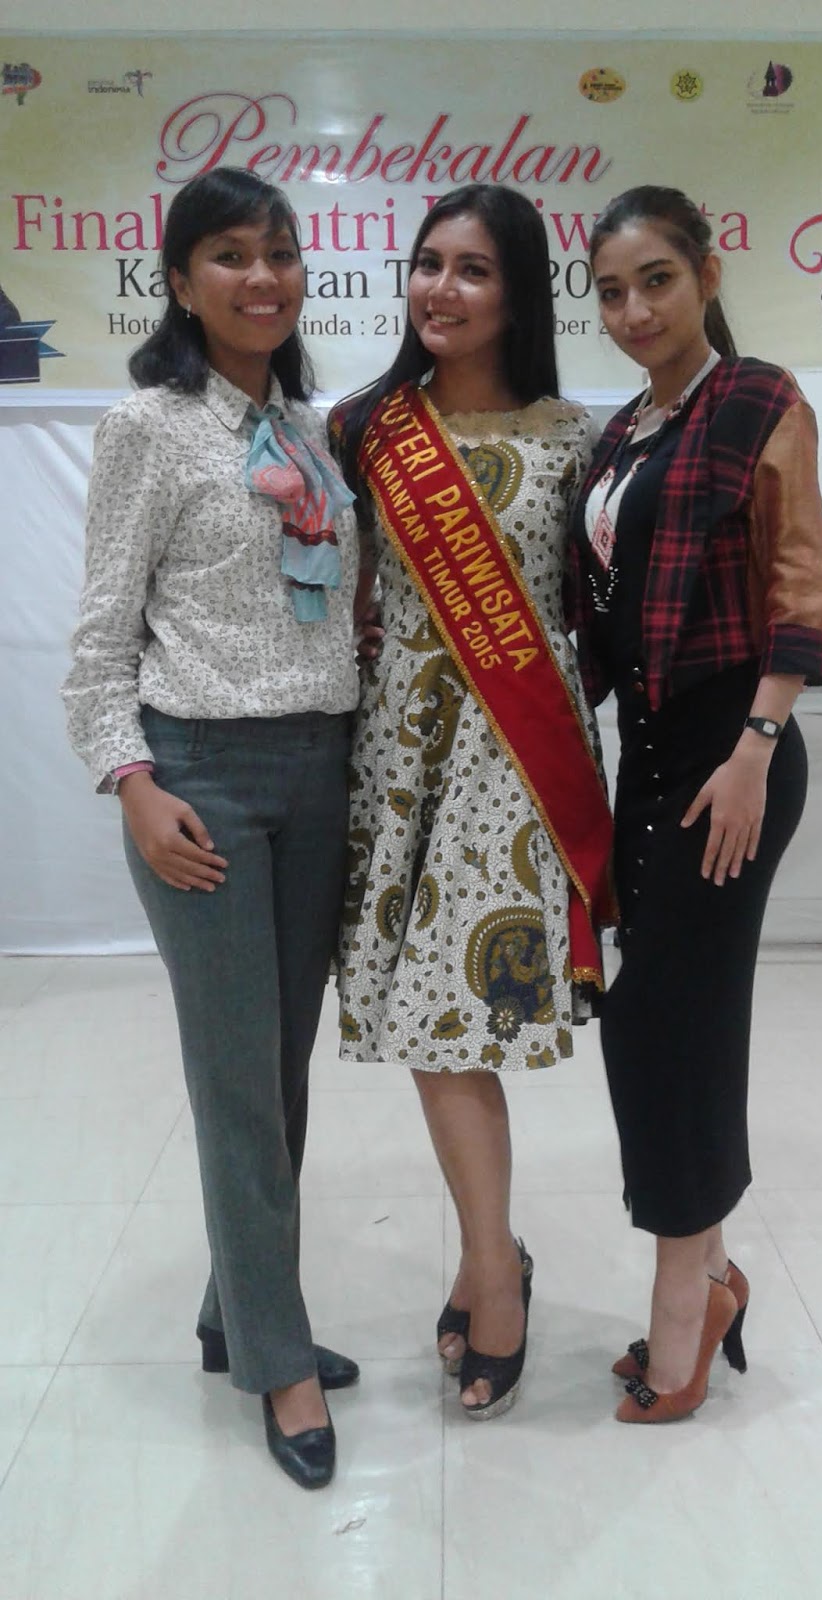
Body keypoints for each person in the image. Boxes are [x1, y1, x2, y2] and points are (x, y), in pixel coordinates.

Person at [62, 167, 363, 1489]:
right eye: (231, 255)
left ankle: (234, 1307)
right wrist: (133, 785)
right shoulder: (148, 427)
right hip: (203, 780)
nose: (263, 277)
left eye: (280, 253)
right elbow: (98, 640)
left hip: (320, 770)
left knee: (280, 1068)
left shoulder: (308, 427)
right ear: (181, 282)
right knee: (237, 1077)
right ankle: (276, 1362)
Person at [331, 183, 614, 1420]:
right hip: (397, 759)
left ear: (519, 293)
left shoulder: (577, 438)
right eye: (427, 263)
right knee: (423, 1023)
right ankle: (494, 1256)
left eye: (473, 269)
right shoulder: (363, 428)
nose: (439, 289)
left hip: (512, 765)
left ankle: (492, 1269)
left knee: (453, 1021)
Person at [569, 186, 822, 1423]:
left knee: (680, 1017)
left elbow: (799, 582)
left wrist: (757, 744)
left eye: (657, 280)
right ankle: (711, 1270)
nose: (634, 310)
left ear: (708, 273)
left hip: (736, 752)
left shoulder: (758, 400)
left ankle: (684, 1298)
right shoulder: (621, 434)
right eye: (612, 291)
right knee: (646, 1020)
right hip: (649, 758)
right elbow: (603, 611)